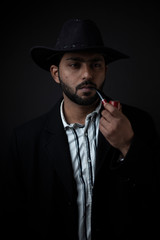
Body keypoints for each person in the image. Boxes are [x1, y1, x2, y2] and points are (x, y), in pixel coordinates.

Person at [4, 18, 160, 240]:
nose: (87, 74)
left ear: (105, 69)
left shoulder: (138, 123)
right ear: (56, 74)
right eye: (75, 64)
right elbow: (15, 216)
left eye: (95, 64)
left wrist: (128, 145)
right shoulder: (26, 139)